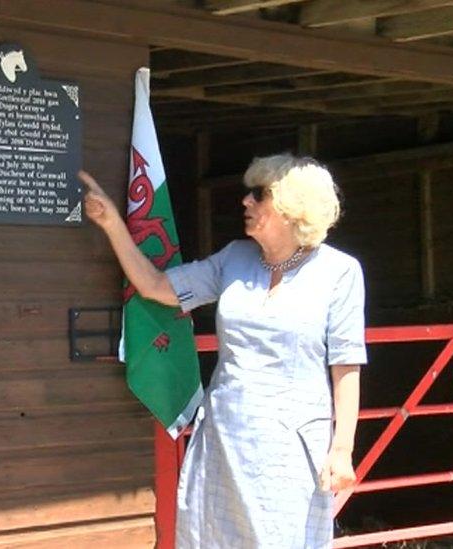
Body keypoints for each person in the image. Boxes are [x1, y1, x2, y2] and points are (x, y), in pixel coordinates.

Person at [79, 153, 365, 548]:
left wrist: (343, 449)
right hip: (225, 439)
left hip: (291, 448)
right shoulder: (234, 257)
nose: (245, 202)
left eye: (259, 195)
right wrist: (112, 223)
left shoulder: (339, 271)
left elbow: (346, 364)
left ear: (292, 206)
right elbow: (155, 286)